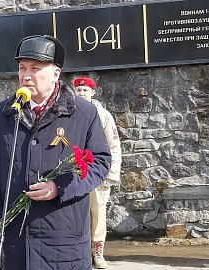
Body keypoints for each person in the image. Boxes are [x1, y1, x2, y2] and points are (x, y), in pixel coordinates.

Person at [0, 35, 111, 270]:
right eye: (22, 68)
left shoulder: (84, 114)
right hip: (17, 242)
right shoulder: (3, 114)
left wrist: (60, 187)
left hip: (65, 243)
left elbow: (100, 162)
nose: (26, 75)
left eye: (35, 69)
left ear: (56, 73)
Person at [74, 77, 122, 269]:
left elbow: (113, 146)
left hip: (97, 172)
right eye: (78, 90)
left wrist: (109, 173)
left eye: (85, 90)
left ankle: (98, 253)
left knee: (98, 212)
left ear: (93, 92)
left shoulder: (103, 115)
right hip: (76, 172)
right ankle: (81, 252)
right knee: (77, 214)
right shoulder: (70, 113)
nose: (82, 93)